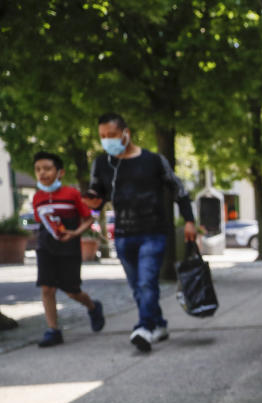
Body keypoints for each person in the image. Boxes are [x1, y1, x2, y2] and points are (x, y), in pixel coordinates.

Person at [83, 113, 196, 353]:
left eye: (111, 135)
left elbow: (178, 189)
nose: (107, 140)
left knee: (146, 282)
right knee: (137, 287)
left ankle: (144, 327)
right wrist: (93, 202)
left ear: (126, 133)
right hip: (123, 235)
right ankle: (160, 324)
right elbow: (98, 194)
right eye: (102, 136)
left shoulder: (154, 160)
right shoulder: (102, 163)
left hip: (153, 232)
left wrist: (189, 220)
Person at [31, 151, 105, 347]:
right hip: (45, 247)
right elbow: (42, 223)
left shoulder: (71, 194)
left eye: (47, 168)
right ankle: (53, 330)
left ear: (60, 172)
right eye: (38, 169)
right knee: (47, 288)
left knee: (72, 290)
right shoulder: (37, 197)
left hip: (69, 248)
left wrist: (75, 232)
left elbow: (89, 217)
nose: (42, 173)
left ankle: (93, 306)